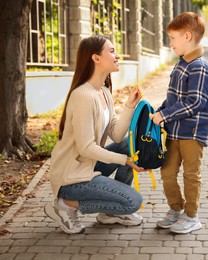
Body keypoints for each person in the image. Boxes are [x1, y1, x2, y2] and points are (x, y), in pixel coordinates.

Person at [44, 35, 146, 234]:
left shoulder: (104, 92)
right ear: (96, 58)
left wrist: (130, 106)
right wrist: (125, 160)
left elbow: (116, 135)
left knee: (129, 144)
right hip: (71, 178)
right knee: (133, 201)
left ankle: (109, 213)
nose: (117, 56)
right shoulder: (83, 95)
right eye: (112, 51)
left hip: (87, 166)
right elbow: (86, 147)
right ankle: (65, 204)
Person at [150, 12, 208, 234]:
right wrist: (158, 113)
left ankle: (191, 215)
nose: (170, 44)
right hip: (173, 132)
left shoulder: (200, 67)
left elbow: (195, 102)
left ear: (187, 36)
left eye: (172, 38)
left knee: (190, 174)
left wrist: (165, 115)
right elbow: (173, 99)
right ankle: (175, 209)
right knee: (167, 172)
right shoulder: (181, 65)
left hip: (192, 133)